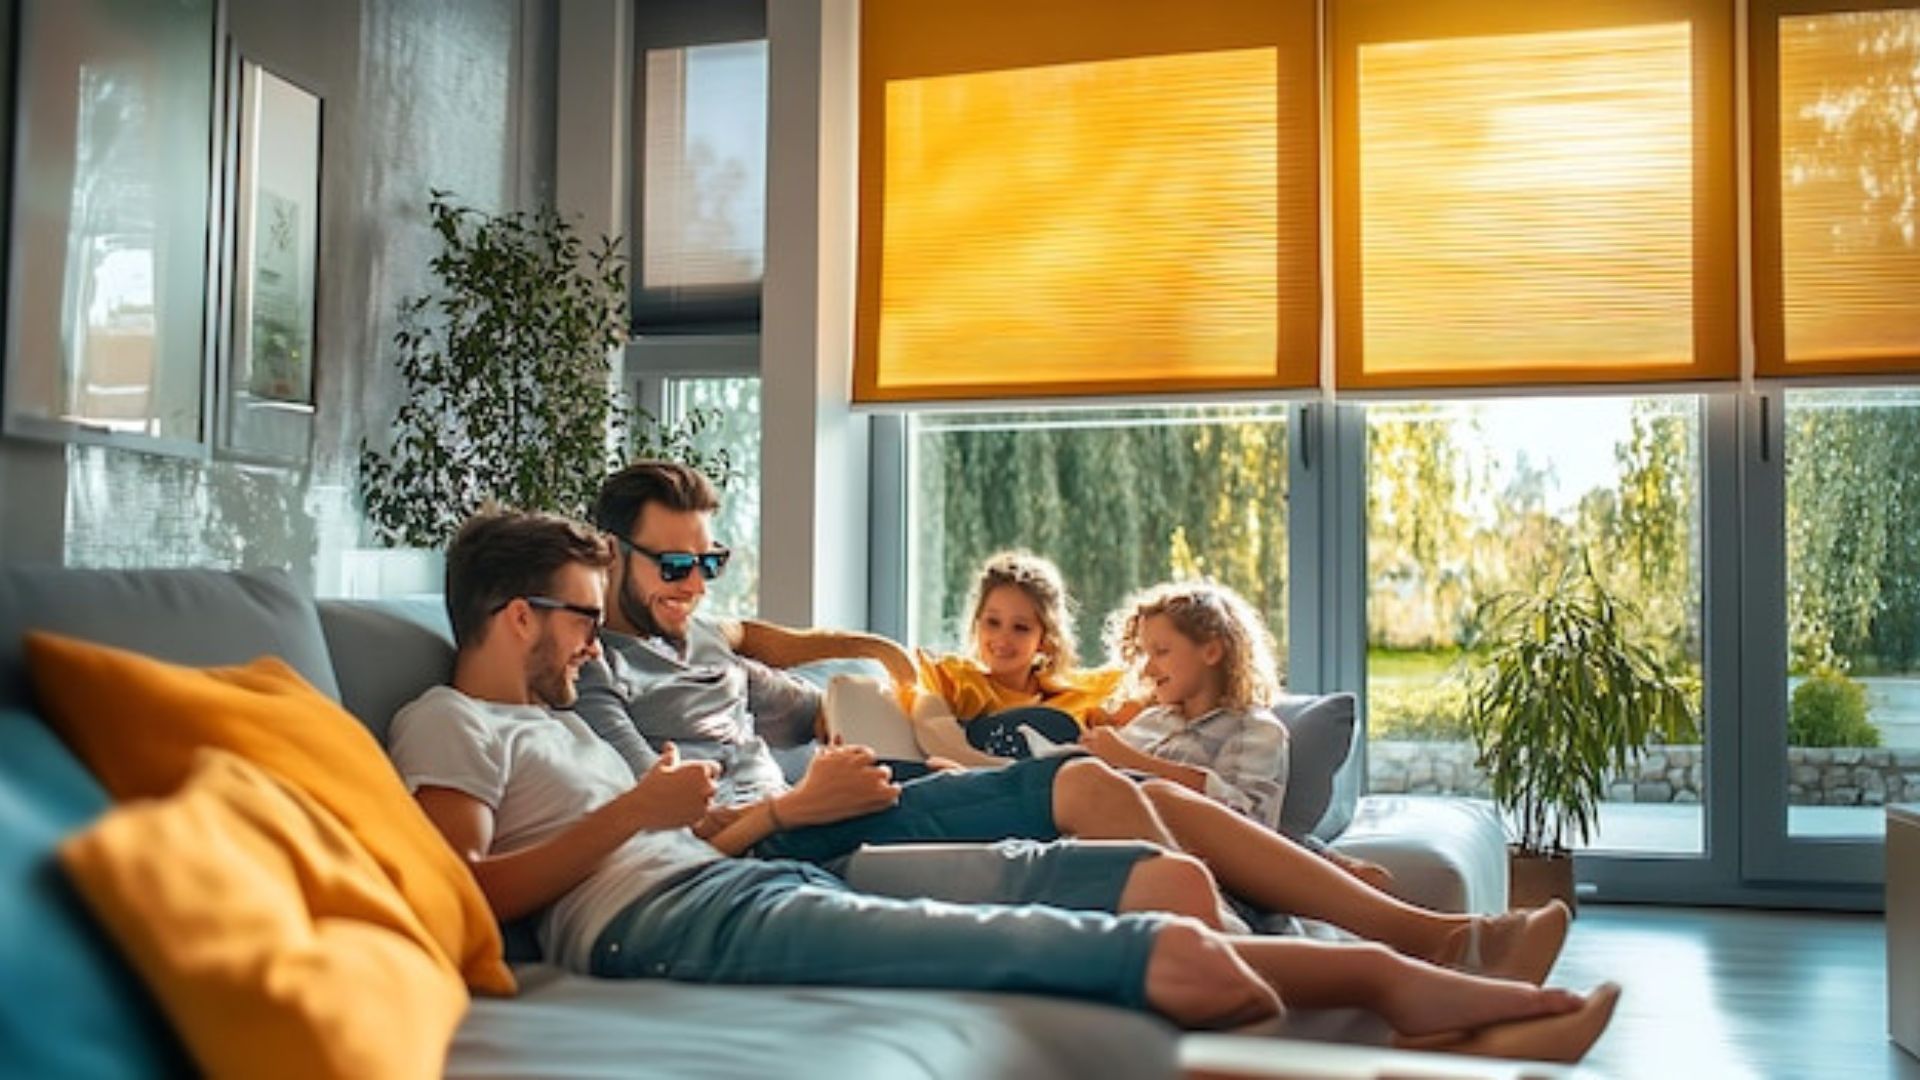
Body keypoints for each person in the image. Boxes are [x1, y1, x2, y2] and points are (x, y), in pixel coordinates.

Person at [387, 508, 1620, 1060]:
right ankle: (1402, 982)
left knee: (1130, 841)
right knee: (1147, 940)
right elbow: (467, 895)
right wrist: (659, 814)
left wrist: (779, 784)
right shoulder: (449, 719)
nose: (595, 640)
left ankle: (1429, 954)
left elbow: (743, 766)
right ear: (515, 613)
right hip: (684, 900)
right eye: (582, 617)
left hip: (729, 853)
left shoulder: (633, 686)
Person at [576, 461, 1572, 986]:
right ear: (611, 558)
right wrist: (798, 808)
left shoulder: (709, 647)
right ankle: (1293, 950)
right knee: (1111, 799)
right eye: (673, 565)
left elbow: (815, 708)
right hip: (772, 846)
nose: (694, 586)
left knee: (1102, 783)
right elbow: (660, 829)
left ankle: (1441, 938)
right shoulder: (592, 673)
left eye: (710, 564)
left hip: (840, 798)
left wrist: (878, 672)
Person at [1086, 580, 1291, 833]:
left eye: (1161, 652)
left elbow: (1248, 825)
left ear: (1211, 652)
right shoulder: (1150, 722)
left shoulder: (1255, 731)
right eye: (1144, 655)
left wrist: (1133, 761)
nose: (1148, 670)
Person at [911, 550, 1125, 757]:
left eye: (1020, 628)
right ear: (977, 624)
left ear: (1044, 639)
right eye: (992, 622)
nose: (1002, 639)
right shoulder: (955, 678)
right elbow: (930, 727)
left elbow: (1143, 681)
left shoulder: (1081, 693)